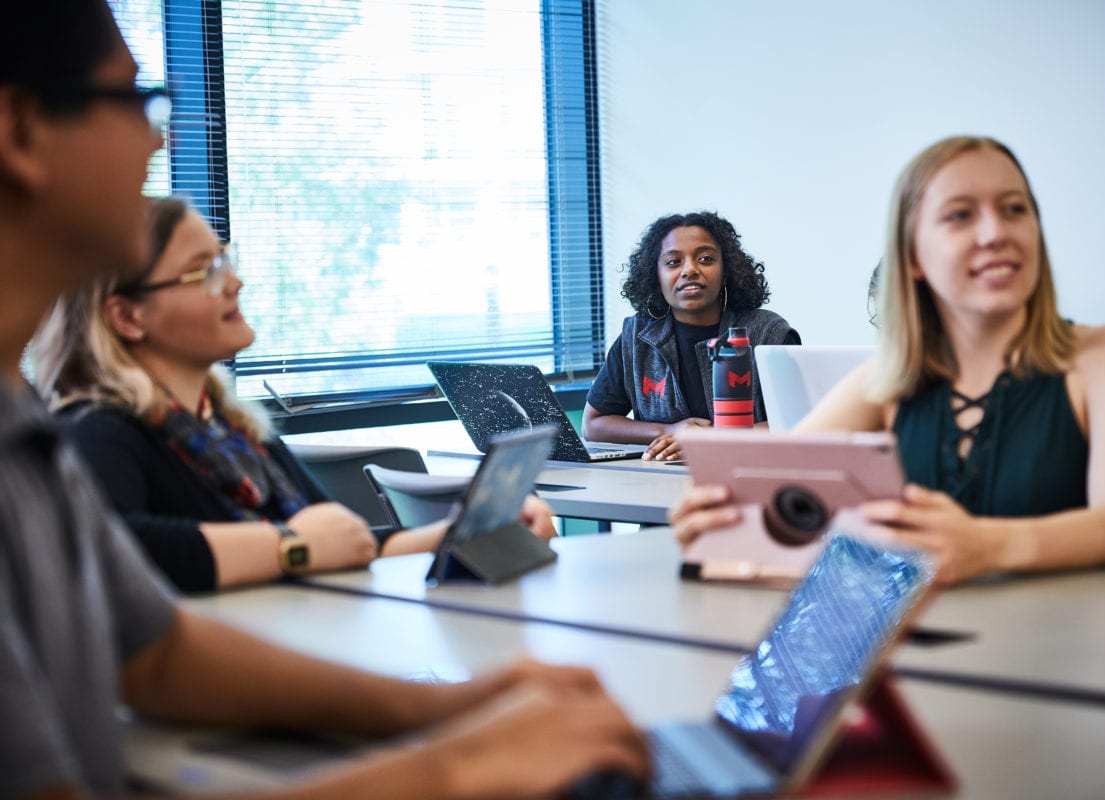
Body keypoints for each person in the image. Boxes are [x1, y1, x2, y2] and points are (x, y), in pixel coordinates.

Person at [0, 3, 646, 797]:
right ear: (23, 129)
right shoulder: (87, 432)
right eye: (134, 101)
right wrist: (462, 766)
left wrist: (456, 708)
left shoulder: (22, 420)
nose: (159, 139)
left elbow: (159, 654)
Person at [671, 136, 1105, 585]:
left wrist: (986, 545)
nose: (995, 232)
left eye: (1015, 209)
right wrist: (716, 519)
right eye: (960, 215)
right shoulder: (886, 381)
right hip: (930, 653)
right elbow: (761, 496)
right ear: (913, 258)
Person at [32, 196, 556, 592]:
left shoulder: (233, 429)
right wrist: (292, 548)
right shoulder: (98, 429)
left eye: (225, 260)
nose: (233, 283)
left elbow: (343, 540)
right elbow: (118, 553)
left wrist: (468, 530)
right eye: (204, 272)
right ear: (127, 316)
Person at [583, 211, 800, 461]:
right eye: (673, 262)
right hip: (656, 481)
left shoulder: (769, 333)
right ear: (656, 276)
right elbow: (593, 424)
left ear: (726, 271)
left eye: (706, 259)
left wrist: (711, 441)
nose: (690, 270)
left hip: (754, 474)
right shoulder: (636, 337)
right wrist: (670, 431)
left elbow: (802, 423)